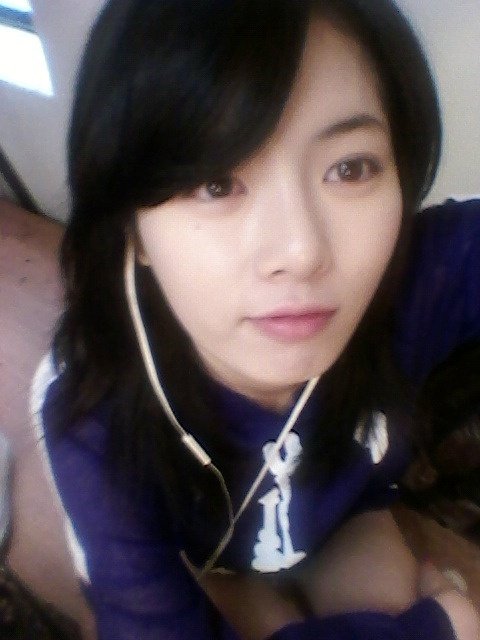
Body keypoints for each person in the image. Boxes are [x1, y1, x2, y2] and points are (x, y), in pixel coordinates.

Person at [32, 0, 480, 638]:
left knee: (379, 600)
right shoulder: (90, 405)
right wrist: (441, 627)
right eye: (216, 184)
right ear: (130, 224)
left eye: (350, 169)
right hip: (212, 557)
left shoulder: (417, 276)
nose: (301, 252)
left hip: (347, 518)